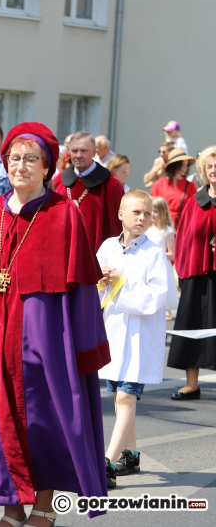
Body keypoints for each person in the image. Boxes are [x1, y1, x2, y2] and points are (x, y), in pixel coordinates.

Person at [0, 122, 109, 525]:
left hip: (45, 339)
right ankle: (11, 508)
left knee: (44, 419)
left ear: (47, 167)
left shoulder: (63, 215)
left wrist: (85, 348)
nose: (20, 166)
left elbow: (84, 289)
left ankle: (45, 506)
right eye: (14, 158)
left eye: (30, 160)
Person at [96, 189, 172, 489]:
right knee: (118, 396)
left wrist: (121, 285)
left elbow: (157, 297)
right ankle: (130, 454)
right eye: (136, 212)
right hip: (112, 334)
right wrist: (100, 280)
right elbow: (94, 287)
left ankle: (106, 462)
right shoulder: (106, 247)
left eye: (147, 213)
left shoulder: (154, 253)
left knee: (127, 396)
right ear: (120, 215)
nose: (142, 218)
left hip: (139, 337)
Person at [167, 145, 216, 402]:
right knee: (192, 326)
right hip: (196, 272)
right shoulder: (195, 201)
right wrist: (181, 272)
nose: (214, 170)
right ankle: (192, 385)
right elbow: (184, 238)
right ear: (203, 170)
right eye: (209, 166)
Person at [52, 131, 124, 253]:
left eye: (84, 151)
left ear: (94, 152)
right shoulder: (57, 183)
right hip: (62, 252)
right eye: (74, 151)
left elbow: (118, 226)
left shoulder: (111, 185)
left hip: (97, 259)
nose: (78, 155)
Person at [150, 148, 197, 226]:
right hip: (161, 226)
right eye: (182, 164)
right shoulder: (159, 184)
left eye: (186, 165)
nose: (185, 167)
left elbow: (193, 209)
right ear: (174, 165)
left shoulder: (190, 186)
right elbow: (152, 206)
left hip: (182, 226)